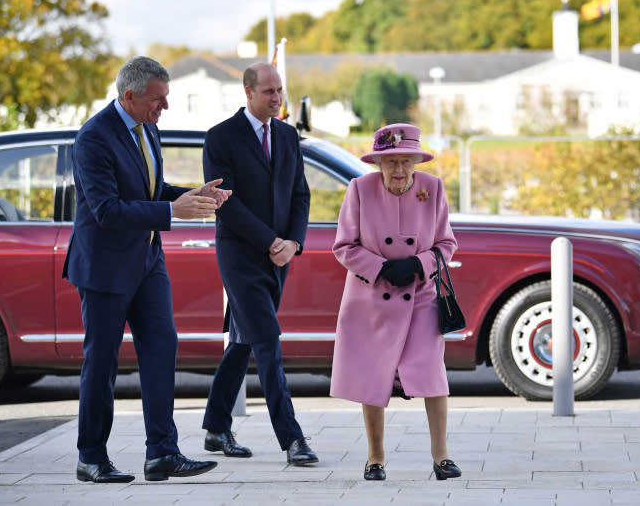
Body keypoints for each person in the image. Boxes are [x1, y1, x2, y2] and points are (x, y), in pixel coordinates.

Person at [63, 56, 231, 483]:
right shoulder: (93, 139)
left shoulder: (145, 126)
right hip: (104, 268)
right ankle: (91, 458)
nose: (165, 108)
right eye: (158, 100)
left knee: (161, 351)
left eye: (166, 98)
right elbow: (106, 210)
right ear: (129, 96)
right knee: (101, 365)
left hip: (147, 261)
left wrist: (195, 196)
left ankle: (162, 453)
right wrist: (172, 211)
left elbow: (151, 191)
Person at [330, 123, 462, 481]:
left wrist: (419, 263)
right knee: (373, 374)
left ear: (417, 161)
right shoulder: (360, 189)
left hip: (420, 295)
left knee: (431, 372)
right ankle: (375, 458)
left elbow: (446, 244)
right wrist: (382, 268)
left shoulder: (432, 188)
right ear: (378, 164)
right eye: (391, 162)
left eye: (406, 161)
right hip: (371, 297)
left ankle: (442, 456)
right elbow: (343, 246)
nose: (399, 170)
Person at [201, 62, 317, 466]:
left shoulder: (286, 135)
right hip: (239, 256)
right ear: (248, 92)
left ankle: (216, 428)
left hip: (279, 256)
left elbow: (300, 194)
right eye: (268, 91)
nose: (276, 97)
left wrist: (293, 243)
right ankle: (293, 439)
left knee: (244, 340)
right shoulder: (221, 138)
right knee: (267, 340)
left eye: (279, 90)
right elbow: (225, 204)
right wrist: (271, 241)